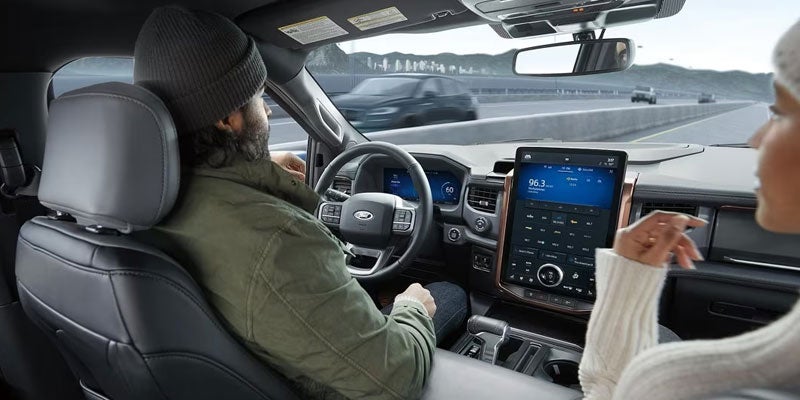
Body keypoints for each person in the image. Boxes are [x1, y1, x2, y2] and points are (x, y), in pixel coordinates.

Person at [131, 6, 467, 400]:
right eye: (259, 97)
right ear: (227, 119)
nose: (269, 108)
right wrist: (410, 307)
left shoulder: (137, 207)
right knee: (444, 294)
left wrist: (255, 170)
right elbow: (395, 377)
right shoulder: (279, 241)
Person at [579, 19, 800, 400]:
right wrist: (630, 277)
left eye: (779, 115)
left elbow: (610, 390)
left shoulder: (682, 383)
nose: (756, 140)